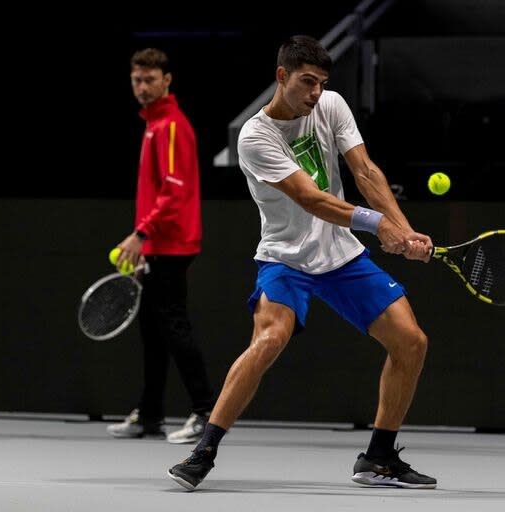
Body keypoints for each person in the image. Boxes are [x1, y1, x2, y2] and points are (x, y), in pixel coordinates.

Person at [168, 35, 437, 490]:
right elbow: (310, 198)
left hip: (340, 254)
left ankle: (379, 457)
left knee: (411, 342)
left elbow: (366, 172)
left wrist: (404, 230)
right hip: (285, 258)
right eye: (306, 82)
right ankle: (205, 450)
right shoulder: (255, 137)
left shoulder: (330, 105)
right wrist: (378, 225)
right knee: (270, 338)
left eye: (321, 82)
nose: (315, 92)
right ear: (281, 76)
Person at [107, 48, 215, 444]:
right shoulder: (153, 124)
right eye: (137, 79)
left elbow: (173, 192)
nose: (143, 87)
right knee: (152, 331)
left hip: (170, 243)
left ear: (167, 80)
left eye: (150, 79)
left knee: (173, 326)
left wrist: (141, 235)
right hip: (156, 244)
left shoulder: (169, 125)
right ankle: (150, 414)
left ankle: (205, 411)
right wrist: (144, 242)